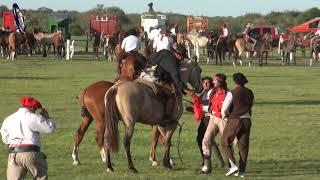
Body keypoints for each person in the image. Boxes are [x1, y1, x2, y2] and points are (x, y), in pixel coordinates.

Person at [1, 97, 56, 180]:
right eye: (35, 109)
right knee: (41, 178)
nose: (35, 111)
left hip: (14, 155)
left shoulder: (9, 119)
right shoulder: (33, 117)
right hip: (31, 154)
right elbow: (50, 128)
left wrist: (12, 142)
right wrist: (47, 118)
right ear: (32, 107)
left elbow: (5, 137)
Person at [186, 76, 225, 169]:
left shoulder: (212, 92)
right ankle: (217, 161)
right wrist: (193, 109)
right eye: (204, 83)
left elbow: (210, 104)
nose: (205, 84)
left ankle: (208, 161)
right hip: (205, 118)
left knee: (205, 139)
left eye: (207, 83)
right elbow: (201, 105)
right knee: (205, 139)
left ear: (211, 84)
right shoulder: (204, 92)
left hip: (210, 118)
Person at [221, 73, 254, 177]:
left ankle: (233, 165)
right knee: (243, 146)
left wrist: (225, 116)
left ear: (235, 81)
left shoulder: (232, 92)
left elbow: (224, 109)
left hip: (235, 120)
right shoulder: (250, 92)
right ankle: (242, 171)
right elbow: (251, 104)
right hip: (247, 120)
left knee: (225, 142)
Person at [149, 44, 188, 125]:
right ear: (177, 54)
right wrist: (182, 89)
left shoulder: (164, 51)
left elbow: (150, 57)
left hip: (147, 72)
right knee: (171, 94)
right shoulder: (173, 62)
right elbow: (175, 77)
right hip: (158, 78)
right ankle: (165, 117)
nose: (182, 59)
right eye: (182, 56)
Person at [201, 73, 228, 174]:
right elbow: (209, 104)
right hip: (213, 118)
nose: (213, 82)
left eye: (215, 81)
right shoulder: (213, 92)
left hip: (222, 119)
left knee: (226, 143)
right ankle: (207, 166)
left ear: (220, 82)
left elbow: (227, 109)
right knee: (206, 140)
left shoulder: (227, 93)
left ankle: (231, 165)